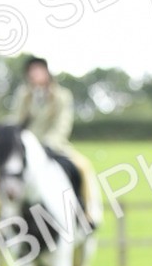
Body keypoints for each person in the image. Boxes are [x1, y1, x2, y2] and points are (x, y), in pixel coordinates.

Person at [10, 56, 101, 224]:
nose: (35, 74)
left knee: (83, 167)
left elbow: (63, 123)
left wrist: (49, 143)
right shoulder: (23, 95)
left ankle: (87, 214)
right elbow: (17, 120)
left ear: (47, 73)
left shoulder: (61, 96)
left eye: (39, 70)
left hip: (54, 146)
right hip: (27, 149)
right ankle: (2, 220)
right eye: (32, 71)